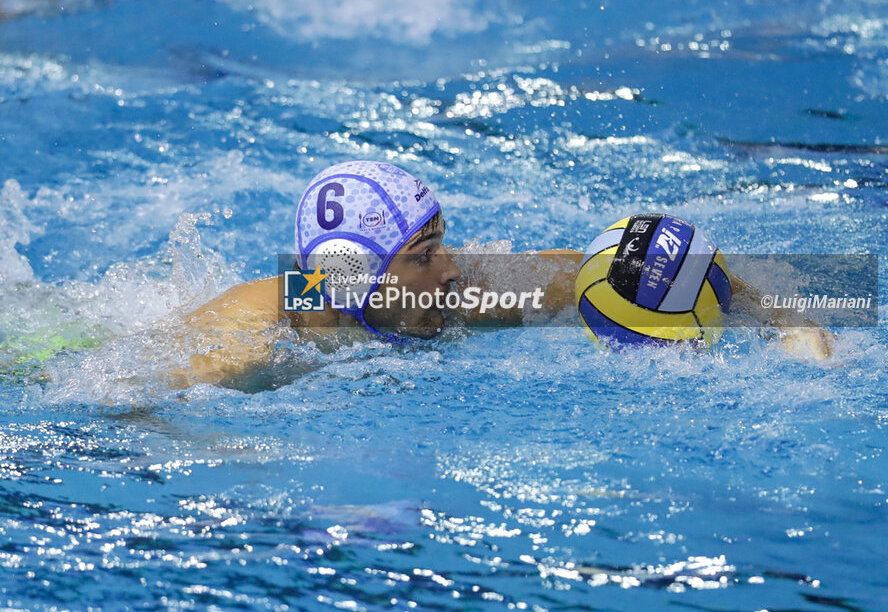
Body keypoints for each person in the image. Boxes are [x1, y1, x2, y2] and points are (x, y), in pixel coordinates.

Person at [169, 160, 835, 389]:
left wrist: (786, 320)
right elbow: (129, 405)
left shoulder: (458, 292)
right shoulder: (254, 332)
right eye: (424, 256)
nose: (453, 271)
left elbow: (607, 269)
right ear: (355, 277)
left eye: (442, 245)